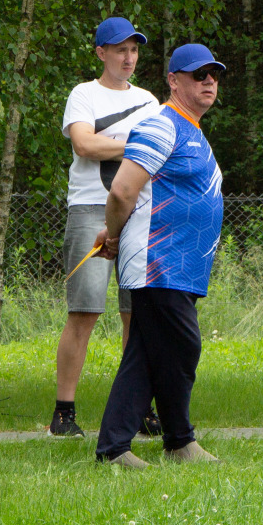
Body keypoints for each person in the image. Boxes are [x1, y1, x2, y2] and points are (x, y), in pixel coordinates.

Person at [92, 43, 226, 468]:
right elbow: (123, 190)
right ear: (173, 80)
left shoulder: (192, 130)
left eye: (213, 75)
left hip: (181, 266)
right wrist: (112, 236)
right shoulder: (161, 125)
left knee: (153, 352)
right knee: (181, 346)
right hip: (157, 262)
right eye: (197, 74)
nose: (208, 81)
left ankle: (133, 446)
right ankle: (172, 441)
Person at [51, 16, 160, 438]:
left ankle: (141, 408)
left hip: (138, 213)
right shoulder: (84, 94)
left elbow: (160, 156)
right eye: (119, 50)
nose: (128, 58)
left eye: (133, 50)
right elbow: (84, 143)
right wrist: (137, 146)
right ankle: (63, 413)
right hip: (91, 209)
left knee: (138, 315)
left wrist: (119, 147)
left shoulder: (150, 101)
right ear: (101, 52)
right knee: (85, 311)